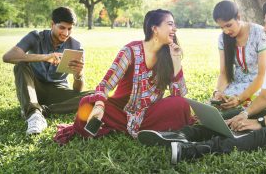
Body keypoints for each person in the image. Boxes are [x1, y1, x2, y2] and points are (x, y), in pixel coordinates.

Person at [138, 0, 266, 164]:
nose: (265, 29)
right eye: (265, 23)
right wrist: (243, 114)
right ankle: (178, 135)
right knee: (231, 118)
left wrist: (259, 122)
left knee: (264, 132)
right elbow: (264, 97)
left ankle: (193, 150)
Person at [53, 9, 194, 144]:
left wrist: (176, 60)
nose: (175, 29)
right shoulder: (130, 51)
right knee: (87, 104)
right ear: (155, 28)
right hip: (120, 113)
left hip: (150, 113)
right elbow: (106, 84)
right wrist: (100, 105)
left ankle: (142, 130)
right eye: (170, 24)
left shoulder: (169, 55)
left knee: (181, 104)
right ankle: (149, 130)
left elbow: (179, 95)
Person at [2, 7, 92, 135]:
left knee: (96, 96)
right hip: (33, 88)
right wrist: (46, 57)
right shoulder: (35, 37)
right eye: (62, 28)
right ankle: (34, 115)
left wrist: (79, 74)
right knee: (20, 65)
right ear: (52, 24)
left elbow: (77, 91)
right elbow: (8, 57)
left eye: (69, 29)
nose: (66, 33)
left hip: (57, 92)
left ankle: (42, 111)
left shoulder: (76, 47)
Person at [211, 0, 266, 112]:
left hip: (259, 85)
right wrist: (218, 93)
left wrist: (240, 98)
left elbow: (263, 75)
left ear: (238, 17)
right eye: (222, 27)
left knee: (232, 111)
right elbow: (224, 72)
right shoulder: (222, 38)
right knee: (214, 108)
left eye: (228, 25)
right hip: (237, 82)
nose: (226, 31)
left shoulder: (259, 33)